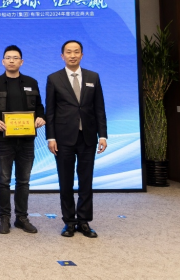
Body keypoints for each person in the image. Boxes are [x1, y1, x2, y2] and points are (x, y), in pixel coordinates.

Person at [46, 40, 107, 238]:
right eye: (68, 52)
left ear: (82, 55)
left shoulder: (93, 77)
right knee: (65, 181)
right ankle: (69, 222)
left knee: (86, 180)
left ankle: (84, 221)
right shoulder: (54, 78)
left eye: (76, 52)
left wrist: (103, 135)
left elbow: (99, 108)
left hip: (88, 137)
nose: (72, 55)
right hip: (63, 138)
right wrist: (50, 137)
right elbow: (50, 111)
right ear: (62, 56)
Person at [0, 45, 46, 235]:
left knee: (23, 181)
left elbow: (39, 106)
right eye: (8, 57)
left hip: (26, 140)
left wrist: (41, 117)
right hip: (3, 140)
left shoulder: (31, 82)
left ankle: (22, 218)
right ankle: (4, 218)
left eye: (15, 57)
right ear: (3, 61)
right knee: (3, 180)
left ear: (22, 62)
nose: (12, 60)